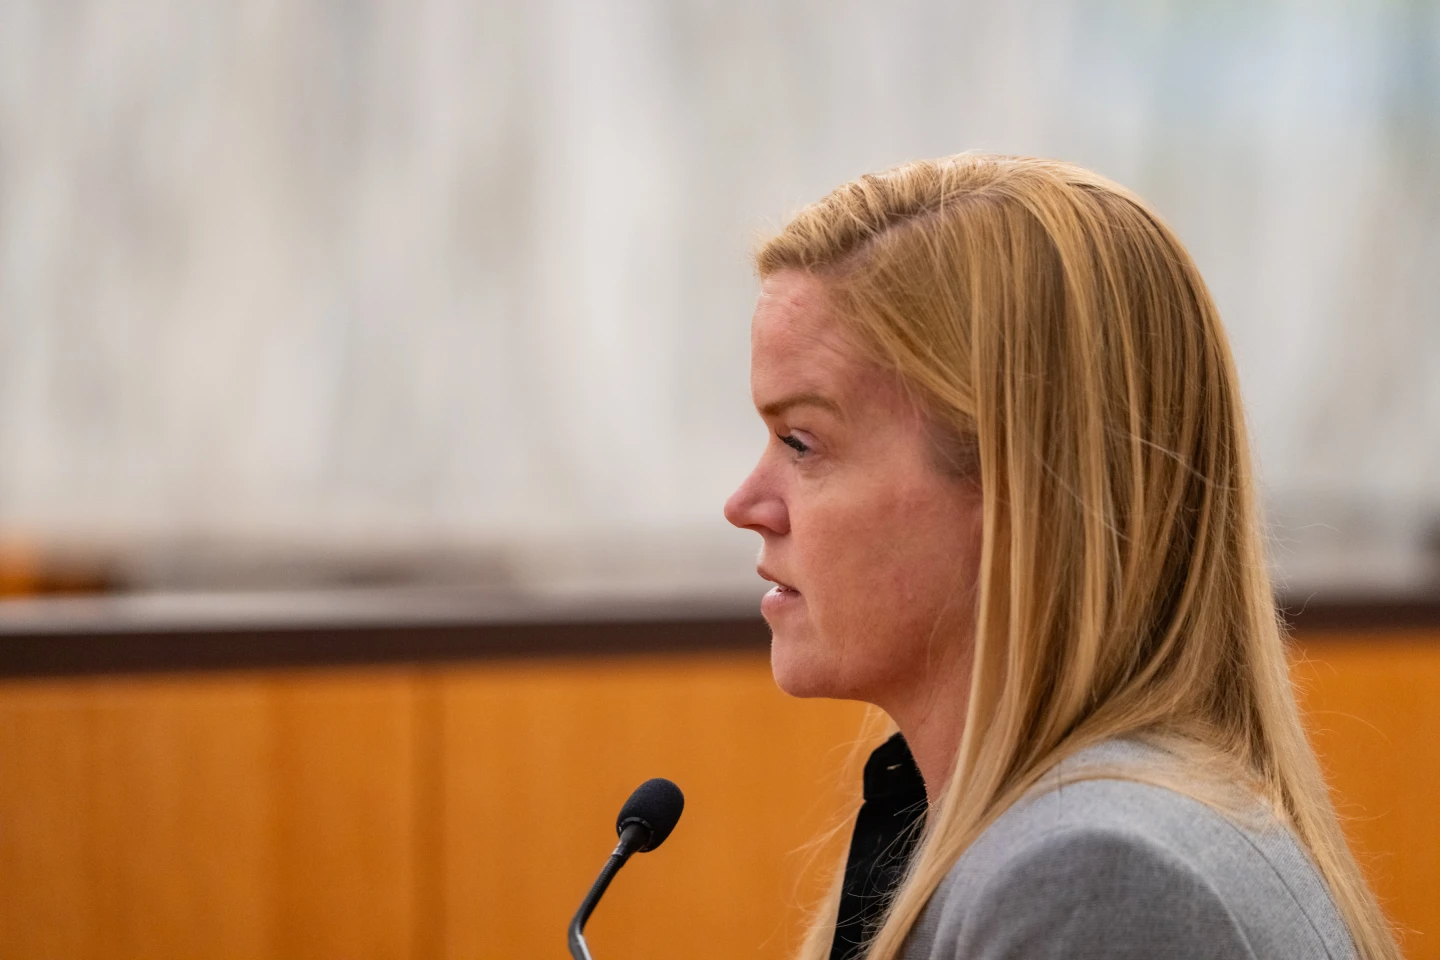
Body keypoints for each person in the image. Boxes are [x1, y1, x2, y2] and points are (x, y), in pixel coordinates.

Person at [723, 155, 1398, 960]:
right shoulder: (1023, 831)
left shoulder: (1095, 875)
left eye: (801, 442)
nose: (746, 503)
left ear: (1019, 486)